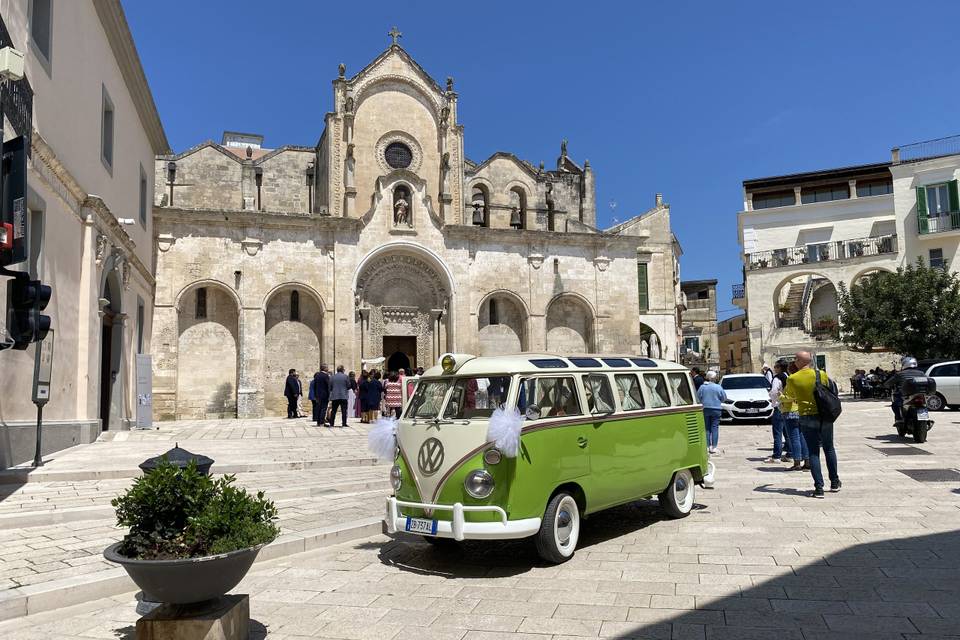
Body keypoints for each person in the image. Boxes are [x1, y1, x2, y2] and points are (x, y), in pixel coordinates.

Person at [784, 351, 839, 497]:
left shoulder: (792, 378)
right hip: (825, 415)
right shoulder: (821, 374)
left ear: (800, 361)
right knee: (829, 448)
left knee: (813, 452)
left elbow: (789, 396)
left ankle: (819, 488)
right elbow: (829, 390)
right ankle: (834, 482)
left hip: (807, 416)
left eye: (795, 359)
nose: (794, 361)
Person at [780, 361, 808, 471]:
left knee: (794, 438)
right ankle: (807, 461)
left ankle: (797, 462)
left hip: (790, 411)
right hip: (801, 410)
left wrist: (780, 396)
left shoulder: (791, 379)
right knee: (802, 437)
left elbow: (789, 396)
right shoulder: (803, 379)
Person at [885, 356, 925, 422]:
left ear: (904, 364)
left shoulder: (900, 374)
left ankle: (898, 419)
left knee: (895, 404)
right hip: (919, 394)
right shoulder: (921, 373)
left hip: (905, 394)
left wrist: (885, 385)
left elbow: (888, 383)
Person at [765, 360, 789, 463]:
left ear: (779, 368)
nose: (774, 368)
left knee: (777, 433)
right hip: (788, 406)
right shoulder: (788, 376)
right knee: (787, 431)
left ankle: (776, 456)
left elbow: (774, 392)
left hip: (779, 406)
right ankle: (790, 454)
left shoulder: (777, 378)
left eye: (775, 366)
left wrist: (771, 396)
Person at [697, 370, 726, 454]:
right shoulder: (718, 387)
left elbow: (698, 397)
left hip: (705, 408)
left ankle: (707, 446)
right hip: (716, 409)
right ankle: (714, 447)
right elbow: (723, 397)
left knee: (706, 427)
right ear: (714, 378)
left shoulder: (702, 387)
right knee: (715, 427)